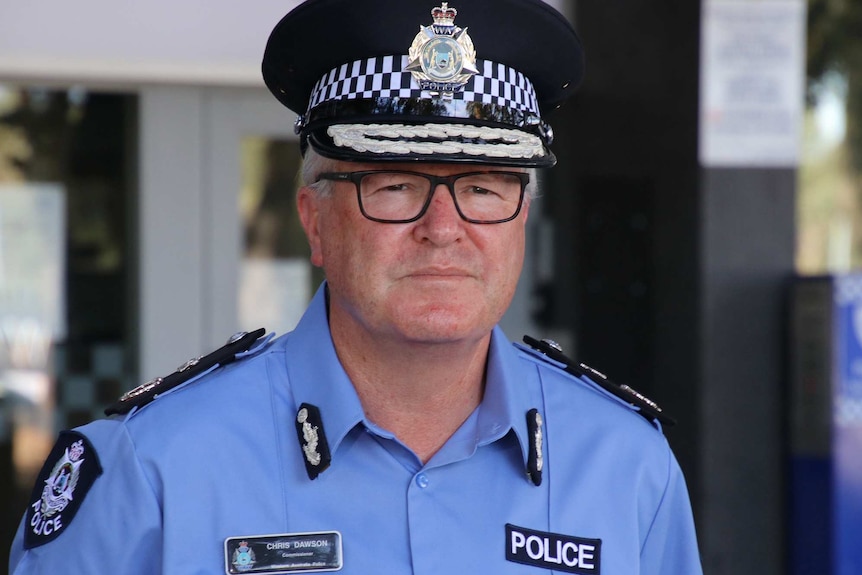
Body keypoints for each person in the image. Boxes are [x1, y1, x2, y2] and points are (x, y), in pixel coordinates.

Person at [9, 0, 703, 573]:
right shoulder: (150, 469)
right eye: (394, 186)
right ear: (315, 221)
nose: (443, 228)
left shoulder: (626, 466)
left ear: (522, 217)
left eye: (484, 187)